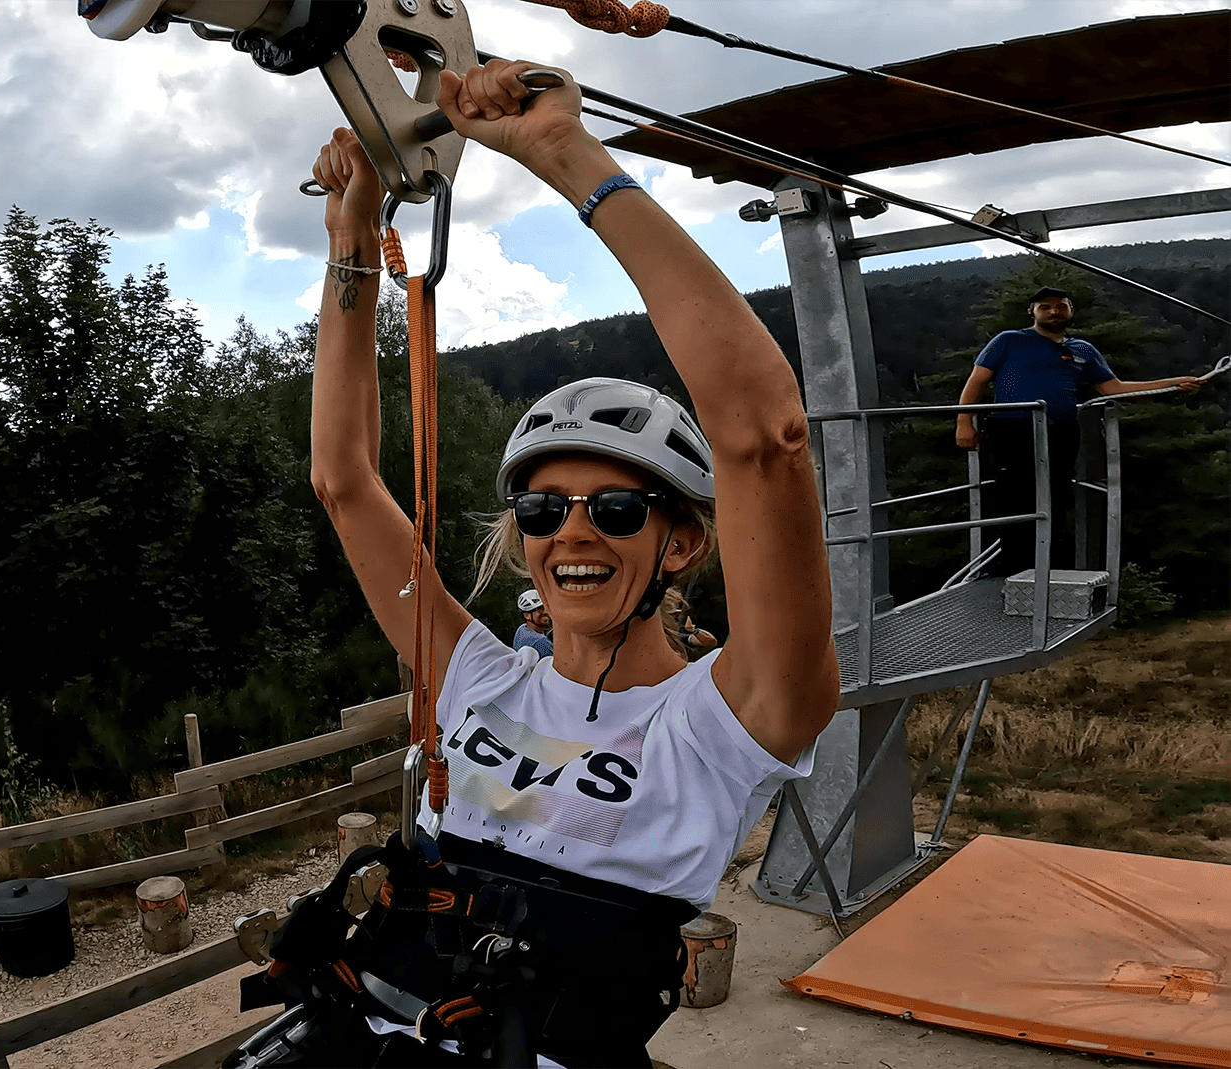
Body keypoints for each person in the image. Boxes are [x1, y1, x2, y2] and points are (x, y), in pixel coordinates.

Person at [228, 59, 840, 1068]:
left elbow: (764, 434)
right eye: (543, 510)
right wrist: (351, 240)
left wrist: (565, 156)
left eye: (613, 507)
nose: (572, 534)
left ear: (679, 542)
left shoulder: (726, 723)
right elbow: (341, 478)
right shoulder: (475, 672)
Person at [956, 286, 1200, 575]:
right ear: (1031, 311)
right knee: (1015, 498)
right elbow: (977, 382)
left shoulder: (1083, 350)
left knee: (1056, 499)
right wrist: (964, 422)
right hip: (1012, 429)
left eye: (1061, 306)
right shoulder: (1009, 341)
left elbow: (1115, 389)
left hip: (1063, 432)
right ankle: (1009, 574)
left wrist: (1172, 384)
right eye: (1045, 306)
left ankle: (1045, 572)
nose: (1054, 311)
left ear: (1071, 311)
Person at [512, 588, 553, 657]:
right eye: (540, 610)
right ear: (527, 616)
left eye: (546, 608)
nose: (546, 612)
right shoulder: (541, 643)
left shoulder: (522, 629)